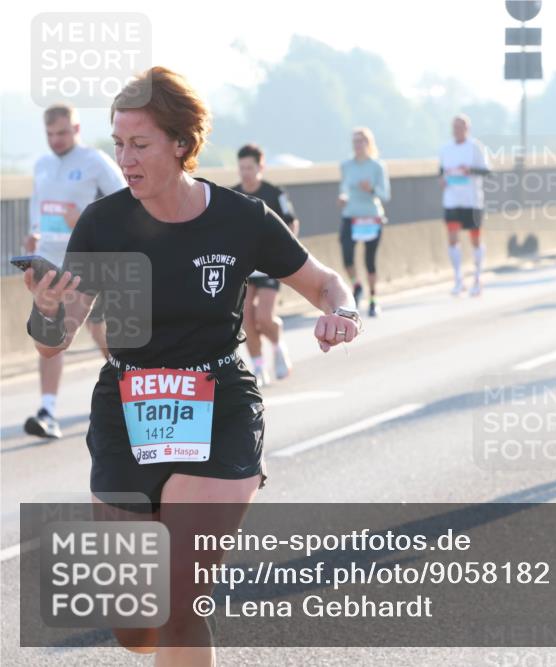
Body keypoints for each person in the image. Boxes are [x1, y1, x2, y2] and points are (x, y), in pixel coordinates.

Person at [23, 66, 361, 664]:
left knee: (182, 600)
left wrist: (344, 312)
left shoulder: (239, 218)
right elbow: (55, 339)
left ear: (182, 143)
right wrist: (46, 312)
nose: (125, 159)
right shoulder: (104, 223)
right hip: (127, 407)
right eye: (118, 143)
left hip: (217, 403)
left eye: (140, 144)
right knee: (136, 625)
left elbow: (325, 282)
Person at [23, 103, 126, 439]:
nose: (56, 140)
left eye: (63, 133)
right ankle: (48, 411)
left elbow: (128, 203)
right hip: (50, 262)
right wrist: (33, 235)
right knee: (49, 331)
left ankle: (130, 390)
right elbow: (37, 207)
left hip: (90, 262)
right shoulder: (41, 164)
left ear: (77, 129)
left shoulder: (95, 162)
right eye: (50, 134)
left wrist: (81, 218)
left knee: (102, 334)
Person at [232, 144, 300, 384]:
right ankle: (259, 368)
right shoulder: (233, 195)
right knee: (246, 318)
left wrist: (285, 254)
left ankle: (278, 345)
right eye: (241, 168)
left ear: (261, 167)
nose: (245, 173)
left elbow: (292, 223)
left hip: (270, 263)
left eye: (250, 167)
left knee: (263, 316)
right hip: (244, 266)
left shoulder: (274, 193)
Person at [339, 127, 390, 317]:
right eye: (355, 141)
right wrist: (342, 197)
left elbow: (385, 194)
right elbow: (343, 188)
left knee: (370, 260)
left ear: (368, 144)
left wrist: (371, 189)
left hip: (371, 217)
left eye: (361, 141)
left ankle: (373, 300)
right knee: (346, 257)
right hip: (351, 215)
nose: (358, 145)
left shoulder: (377, 166)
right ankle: (356, 284)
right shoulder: (346, 165)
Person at [440, 114, 490, 296]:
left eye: (461, 127)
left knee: (475, 240)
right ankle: (458, 279)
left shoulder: (475, 147)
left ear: (467, 129)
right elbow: (441, 171)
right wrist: (442, 180)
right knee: (452, 238)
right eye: (455, 127)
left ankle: (477, 277)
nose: (458, 130)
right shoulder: (445, 149)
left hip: (472, 200)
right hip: (452, 200)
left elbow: (487, 171)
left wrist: (470, 170)